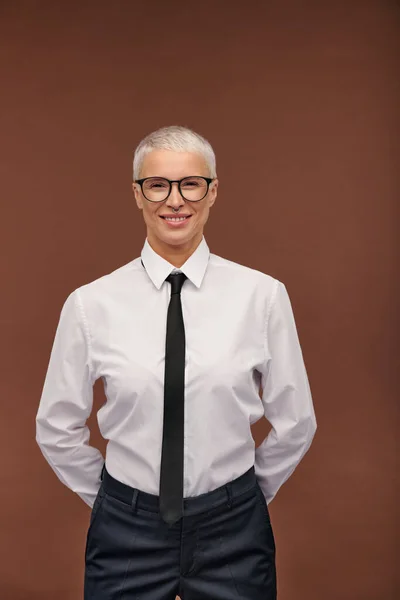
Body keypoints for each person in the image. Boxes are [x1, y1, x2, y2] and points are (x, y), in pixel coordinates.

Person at [35, 124, 317, 600]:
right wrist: (115, 501)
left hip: (234, 528)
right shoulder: (90, 304)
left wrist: (242, 496)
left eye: (190, 183)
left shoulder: (262, 296)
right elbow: (56, 428)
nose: (175, 200)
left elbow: (297, 422)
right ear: (138, 195)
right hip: (126, 531)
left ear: (212, 192)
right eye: (158, 184)